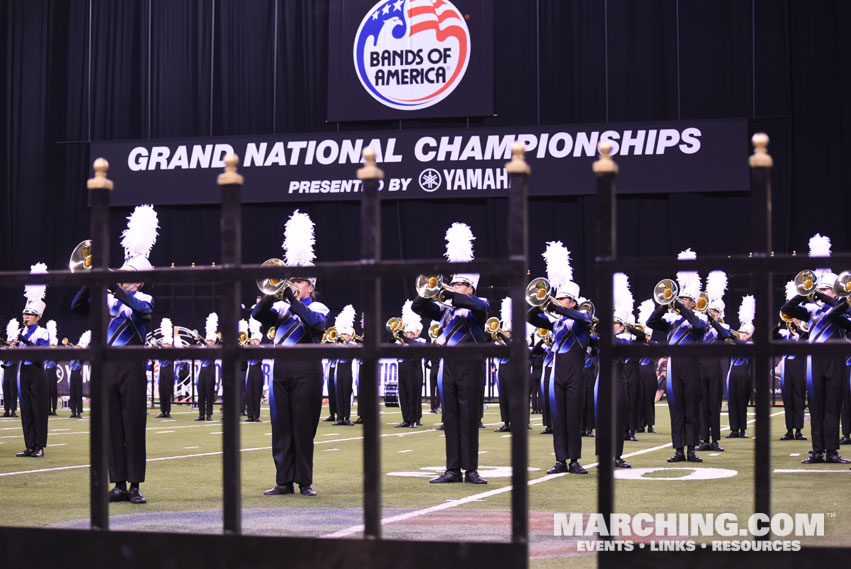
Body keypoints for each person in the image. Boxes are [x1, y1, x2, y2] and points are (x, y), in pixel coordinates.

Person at [71, 204, 159, 504]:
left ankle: (135, 485)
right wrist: (91, 279)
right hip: (107, 367)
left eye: (127, 275)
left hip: (132, 367)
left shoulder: (144, 298)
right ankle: (119, 483)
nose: (122, 277)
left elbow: (143, 312)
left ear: (139, 279)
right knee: (111, 426)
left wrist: (115, 289)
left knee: (133, 425)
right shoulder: (108, 299)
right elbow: (77, 307)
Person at [253, 210, 328, 497]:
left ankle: (304, 481)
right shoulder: (281, 308)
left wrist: (294, 301)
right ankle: (283, 480)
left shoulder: (316, 308)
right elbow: (258, 314)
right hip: (281, 369)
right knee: (281, 426)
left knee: (303, 427)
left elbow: (315, 324)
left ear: (311, 286)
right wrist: (271, 293)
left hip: (307, 371)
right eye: (292, 279)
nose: (294, 283)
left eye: (300, 281)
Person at [412, 222, 489, 485]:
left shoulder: (479, 306)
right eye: (453, 283)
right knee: (451, 416)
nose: (455, 287)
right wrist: (433, 289)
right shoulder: (444, 309)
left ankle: (472, 469)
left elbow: (475, 305)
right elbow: (418, 305)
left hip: (470, 365)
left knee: (469, 417)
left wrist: (450, 294)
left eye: (461, 284)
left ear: (470, 288)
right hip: (448, 366)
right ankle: (453, 469)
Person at [781, 234, 850, 464]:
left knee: (832, 406)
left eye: (827, 289)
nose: (822, 292)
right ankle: (817, 451)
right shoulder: (810, 310)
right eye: (821, 289)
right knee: (817, 407)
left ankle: (832, 451)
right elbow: (786, 308)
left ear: (835, 291)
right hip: (815, 361)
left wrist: (821, 295)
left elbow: (838, 312)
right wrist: (802, 292)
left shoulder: (842, 308)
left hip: (835, 360)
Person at [527, 241, 592, 475]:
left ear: (572, 301)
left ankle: (574, 459)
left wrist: (557, 306)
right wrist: (540, 302)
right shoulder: (554, 321)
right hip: (557, 372)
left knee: (573, 417)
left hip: (576, 374)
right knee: (557, 417)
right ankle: (560, 460)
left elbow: (582, 319)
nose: (559, 300)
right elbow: (530, 317)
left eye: (563, 298)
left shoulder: (582, 317)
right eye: (559, 298)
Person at [646, 249, 707, 463]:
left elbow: (699, 327)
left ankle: (691, 448)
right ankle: (678, 449)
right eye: (679, 298)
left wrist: (683, 309)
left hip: (691, 365)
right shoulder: (671, 319)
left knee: (691, 406)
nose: (680, 301)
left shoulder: (699, 318)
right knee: (676, 408)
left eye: (685, 299)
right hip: (673, 366)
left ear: (692, 302)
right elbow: (651, 323)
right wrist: (664, 305)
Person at [11, 263, 51, 458]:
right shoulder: (21, 332)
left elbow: (41, 354)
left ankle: (40, 446)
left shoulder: (43, 332)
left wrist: (24, 341)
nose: (26, 317)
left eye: (29, 314)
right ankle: (30, 445)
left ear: (38, 316)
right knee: (26, 410)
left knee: (38, 410)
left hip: (37, 373)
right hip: (23, 373)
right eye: (25, 314)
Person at [697, 271, 732, 452]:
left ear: (721, 313)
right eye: (711, 310)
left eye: (716, 311)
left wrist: (714, 321)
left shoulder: (723, 327)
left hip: (715, 370)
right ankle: (703, 438)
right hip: (701, 367)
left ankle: (715, 440)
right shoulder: (701, 326)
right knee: (702, 404)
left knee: (714, 404)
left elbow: (726, 335)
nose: (712, 313)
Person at [727, 299, 754, 439]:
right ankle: (734, 429)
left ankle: (743, 428)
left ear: (748, 334)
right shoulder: (734, 343)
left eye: (743, 332)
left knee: (742, 402)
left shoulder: (750, 344)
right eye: (739, 331)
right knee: (732, 401)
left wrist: (730, 335)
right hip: (732, 374)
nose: (739, 333)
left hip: (744, 375)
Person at [396, 301, 424, 428]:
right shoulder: (402, 342)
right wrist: (394, 338)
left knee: (413, 394)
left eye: (409, 333)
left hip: (413, 369)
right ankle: (406, 418)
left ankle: (413, 418)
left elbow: (417, 346)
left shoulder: (419, 342)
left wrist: (405, 338)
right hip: (402, 368)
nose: (407, 335)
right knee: (403, 394)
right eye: (406, 333)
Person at [332, 305, 359, 427]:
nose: (343, 336)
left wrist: (344, 344)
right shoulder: (336, 345)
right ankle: (339, 417)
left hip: (348, 369)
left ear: (350, 335)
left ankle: (347, 417)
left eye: (346, 335)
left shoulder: (353, 345)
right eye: (342, 334)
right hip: (339, 369)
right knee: (339, 393)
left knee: (347, 393)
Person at [195, 313, 218, 421]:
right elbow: (193, 346)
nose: (209, 342)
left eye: (211, 341)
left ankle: (209, 414)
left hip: (210, 372)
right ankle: (201, 414)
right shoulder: (202, 348)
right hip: (202, 372)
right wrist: (196, 339)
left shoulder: (214, 349)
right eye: (208, 340)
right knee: (201, 394)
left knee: (209, 393)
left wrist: (202, 340)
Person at [244, 316, 265, 422]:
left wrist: (251, 345)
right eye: (254, 339)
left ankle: (257, 416)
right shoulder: (248, 348)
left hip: (257, 372)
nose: (255, 341)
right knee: (249, 393)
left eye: (256, 340)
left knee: (257, 393)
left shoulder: (261, 348)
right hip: (249, 372)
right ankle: (250, 416)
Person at [156, 318, 175, 418]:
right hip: (162, 370)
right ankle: (162, 410)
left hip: (168, 370)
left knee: (167, 390)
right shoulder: (162, 350)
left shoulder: (172, 350)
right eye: (164, 343)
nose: (165, 345)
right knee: (162, 390)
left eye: (167, 344)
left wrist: (160, 345)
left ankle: (168, 411)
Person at [68, 331, 90, 418]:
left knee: (78, 393)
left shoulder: (82, 356)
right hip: (72, 375)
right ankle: (73, 411)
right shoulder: (72, 354)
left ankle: (79, 412)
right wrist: (70, 345)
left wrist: (73, 346)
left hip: (78, 376)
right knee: (72, 393)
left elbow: (79, 348)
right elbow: (73, 348)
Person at [45, 320, 59, 415]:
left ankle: (54, 409)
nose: (51, 347)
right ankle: (47, 409)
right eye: (50, 345)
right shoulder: (45, 352)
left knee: (54, 391)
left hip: (53, 374)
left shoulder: (56, 354)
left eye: (53, 345)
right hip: (45, 373)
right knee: (46, 392)